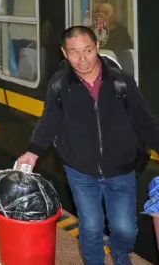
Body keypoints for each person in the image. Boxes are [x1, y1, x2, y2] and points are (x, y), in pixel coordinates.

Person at [17, 26, 159, 265]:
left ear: (97, 48)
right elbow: (49, 119)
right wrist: (33, 151)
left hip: (121, 167)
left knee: (125, 230)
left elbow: (145, 121)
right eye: (74, 52)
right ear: (64, 52)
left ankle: (120, 254)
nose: (82, 59)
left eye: (88, 50)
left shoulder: (120, 81)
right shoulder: (61, 84)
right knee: (91, 228)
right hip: (80, 168)